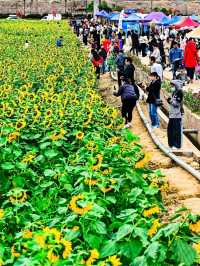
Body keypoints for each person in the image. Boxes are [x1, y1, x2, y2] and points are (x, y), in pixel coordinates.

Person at [167, 80, 184, 150]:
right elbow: (173, 102)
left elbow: (177, 104)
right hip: (171, 114)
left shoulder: (180, 92)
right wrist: (169, 100)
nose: (171, 87)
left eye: (172, 85)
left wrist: (170, 101)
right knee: (170, 130)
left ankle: (177, 145)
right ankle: (171, 144)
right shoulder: (174, 92)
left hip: (176, 115)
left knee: (176, 131)